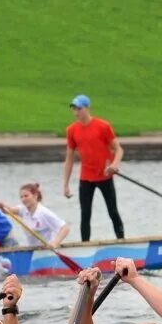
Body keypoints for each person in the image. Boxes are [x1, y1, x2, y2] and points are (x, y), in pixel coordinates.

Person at [62, 94, 125, 242]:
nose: (76, 112)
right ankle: (85, 246)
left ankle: (122, 240)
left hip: (104, 175)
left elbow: (119, 149)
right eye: (74, 109)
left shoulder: (103, 126)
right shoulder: (71, 130)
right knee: (85, 214)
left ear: (87, 108)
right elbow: (69, 157)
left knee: (112, 211)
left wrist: (115, 164)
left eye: (79, 108)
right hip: (86, 178)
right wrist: (65, 184)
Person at [0, 183, 70, 247]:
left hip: (46, 250)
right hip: (32, 249)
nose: (23, 199)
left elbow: (65, 228)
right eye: (21, 197)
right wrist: (2, 207)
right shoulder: (23, 209)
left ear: (35, 196)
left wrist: (55, 243)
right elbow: (9, 210)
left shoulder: (44, 213)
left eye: (26, 196)